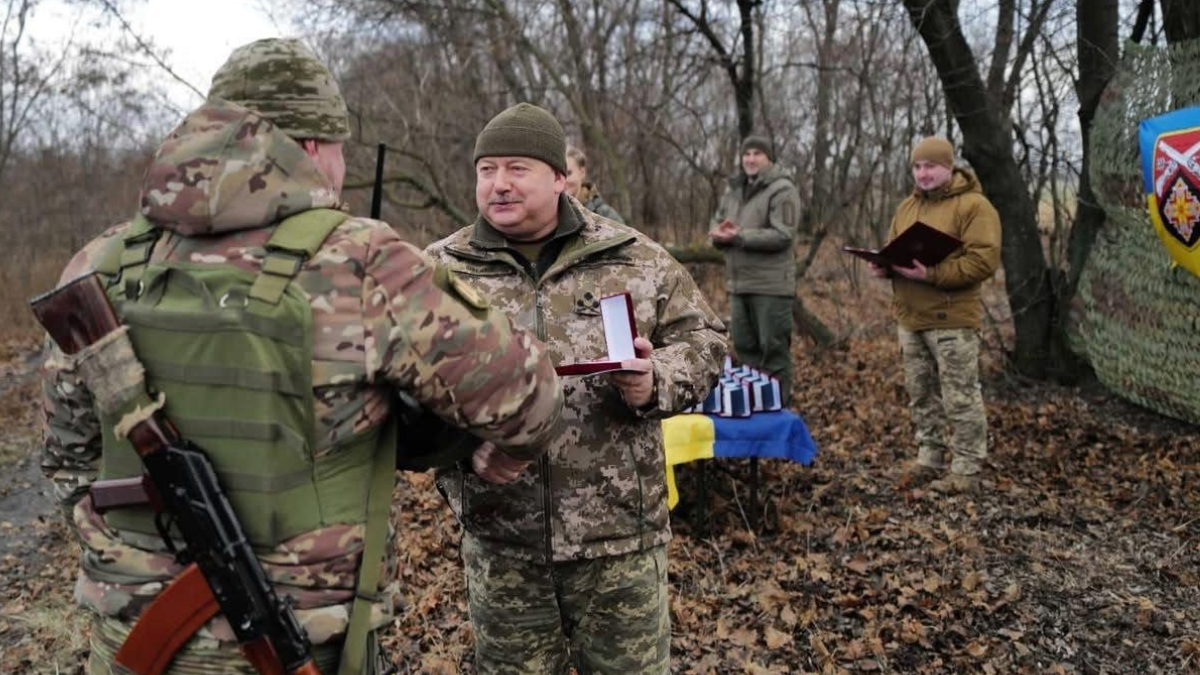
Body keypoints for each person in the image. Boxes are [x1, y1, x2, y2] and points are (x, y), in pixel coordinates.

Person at [39, 39, 564, 675]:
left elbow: (69, 458)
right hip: (297, 644)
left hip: (128, 642)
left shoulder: (102, 263)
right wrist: (495, 446)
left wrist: (140, 561)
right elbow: (532, 402)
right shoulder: (359, 261)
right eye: (338, 147)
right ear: (313, 147)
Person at [425, 102, 727, 675]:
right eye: (486, 170)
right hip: (503, 544)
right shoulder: (440, 270)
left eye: (518, 168)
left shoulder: (631, 256)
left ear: (560, 178)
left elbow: (706, 340)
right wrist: (464, 450)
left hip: (619, 544)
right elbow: (405, 390)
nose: (499, 184)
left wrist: (654, 379)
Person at [871, 136, 1001, 494]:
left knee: (960, 395)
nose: (923, 173)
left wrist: (932, 274)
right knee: (921, 393)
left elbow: (983, 260)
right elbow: (892, 250)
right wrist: (885, 267)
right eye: (917, 167)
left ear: (949, 166)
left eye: (930, 166)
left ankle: (966, 468)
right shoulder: (906, 208)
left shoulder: (974, 206)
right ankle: (929, 457)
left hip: (952, 320)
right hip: (910, 318)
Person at [708, 134, 801, 405]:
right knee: (745, 351)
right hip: (739, 285)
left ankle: (779, 411)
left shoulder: (782, 189)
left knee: (773, 353)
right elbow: (717, 221)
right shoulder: (733, 190)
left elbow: (783, 235)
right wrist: (719, 234)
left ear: (768, 158)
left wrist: (740, 236)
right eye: (746, 154)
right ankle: (755, 409)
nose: (750, 159)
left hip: (771, 287)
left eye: (757, 153)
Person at [564, 145, 626, 223]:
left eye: (568, 173)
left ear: (582, 172)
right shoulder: (551, 215)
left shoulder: (606, 216)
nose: (563, 180)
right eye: (559, 173)